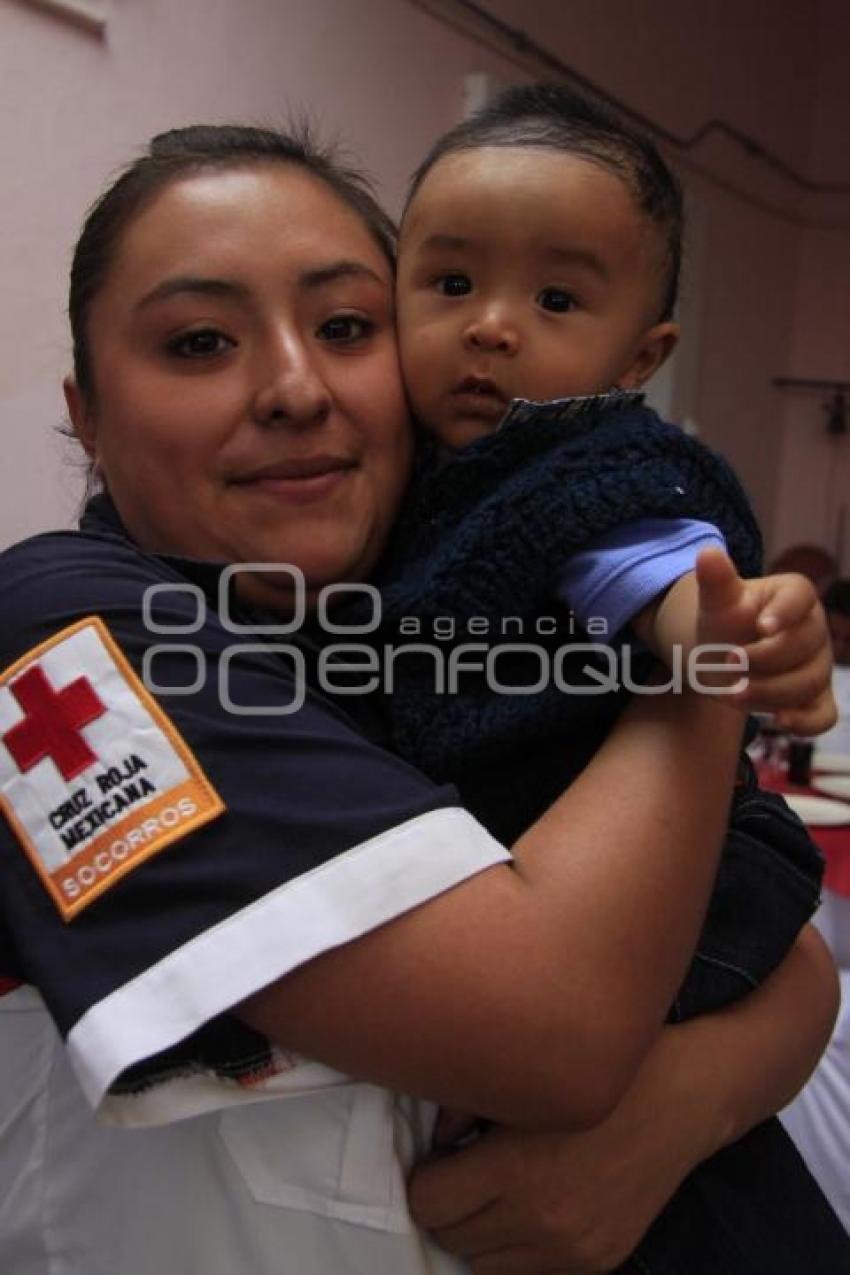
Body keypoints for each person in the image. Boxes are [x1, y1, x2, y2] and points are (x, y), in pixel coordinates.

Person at [0, 124, 844, 1275]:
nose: (296, 388)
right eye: (198, 342)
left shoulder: (439, 613)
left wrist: (677, 1110)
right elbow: (557, 1035)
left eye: (347, 328)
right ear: (87, 412)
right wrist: (696, 655)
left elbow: (769, 932)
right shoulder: (63, 635)